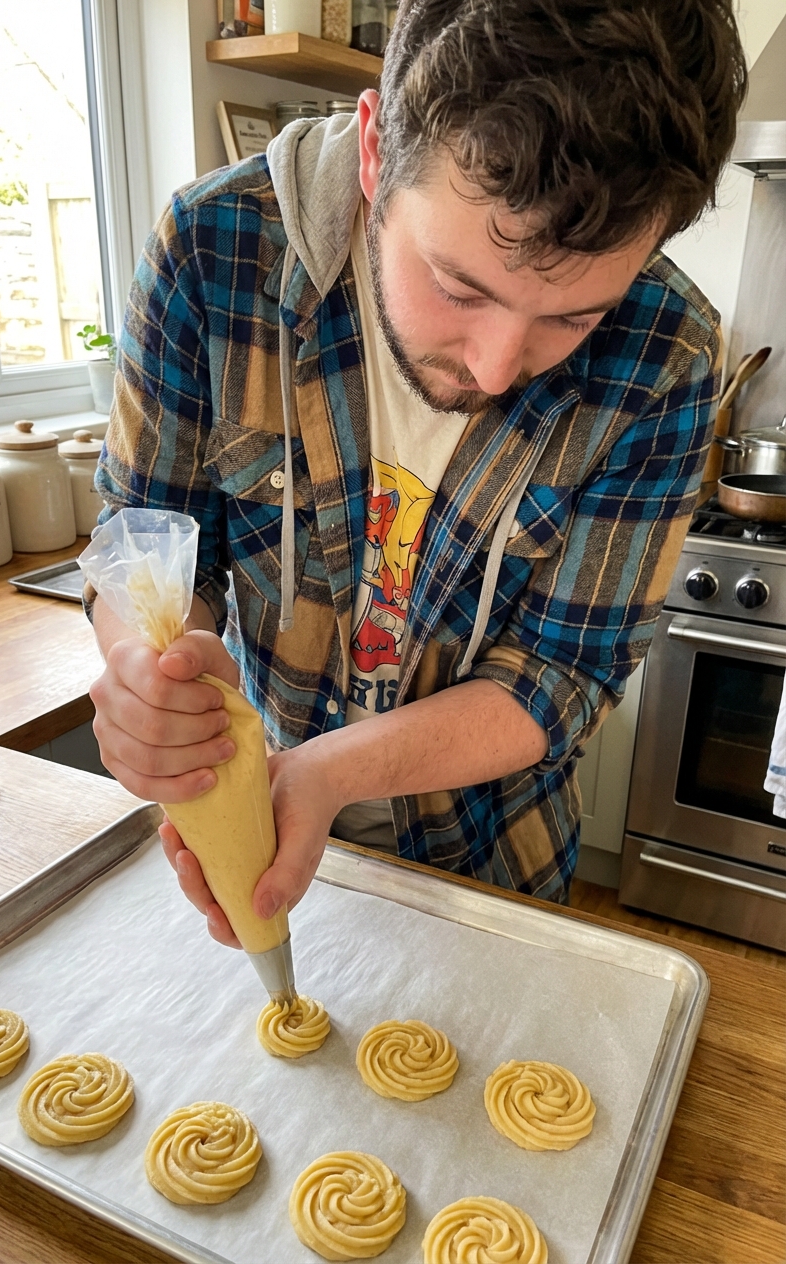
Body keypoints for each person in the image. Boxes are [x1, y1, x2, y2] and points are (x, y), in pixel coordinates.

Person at [86, 0, 746, 948]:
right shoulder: (211, 250)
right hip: (253, 827)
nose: (495, 367)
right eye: (459, 287)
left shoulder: (669, 351)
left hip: (496, 869)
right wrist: (148, 675)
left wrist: (327, 770)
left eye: (573, 319)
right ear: (372, 153)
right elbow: (142, 540)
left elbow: (564, 673)